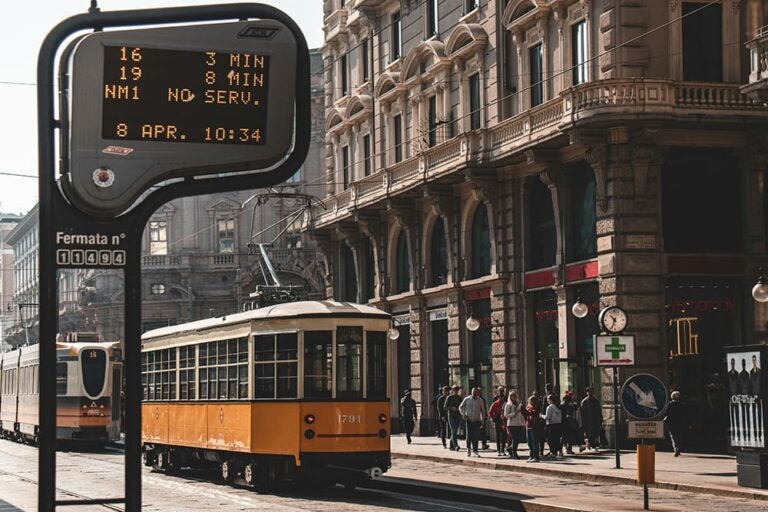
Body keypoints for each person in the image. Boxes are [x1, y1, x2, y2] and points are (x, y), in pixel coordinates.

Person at [459, 386, 486, 457]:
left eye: (476, 392)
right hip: (469, 420)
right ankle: (468, 449)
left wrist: (482, 419)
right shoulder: (467, 399)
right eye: (473, 392)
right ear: (471, 392)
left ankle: (475, 451)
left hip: (477, 420)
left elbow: (483, 410)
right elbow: (461, 407)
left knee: (476, 436)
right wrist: (464, 415)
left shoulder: (480, 400)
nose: (474, 393)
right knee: (469, 436)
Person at [664, 390, 688, 456]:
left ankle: (676, 449)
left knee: (673, 436)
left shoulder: (670, 404)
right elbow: (686, 415)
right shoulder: (682, 405)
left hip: (672, 423)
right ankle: (679, 447)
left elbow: (666, 413)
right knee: (679, 435)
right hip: (680, 423)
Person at [580, 386, 603, 453]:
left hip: (595, 420)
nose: (590, 393)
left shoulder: (596, 401)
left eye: (591, 391)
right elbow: (582, 413)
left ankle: (590, 446)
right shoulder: (584, 402)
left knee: (595, 433)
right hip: (588, 421)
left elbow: (599, 411)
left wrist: (601, 420)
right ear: (587, 392)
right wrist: (583, 422)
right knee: (589, 434)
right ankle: (589, 446)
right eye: (589, 392)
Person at [504, 390, 524, 459]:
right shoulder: (508, 405)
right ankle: (514, 452)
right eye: (511, 396)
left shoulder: (519, 404)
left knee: (518, 439)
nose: (513, 397)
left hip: (519, 423)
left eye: (514, 396)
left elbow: (521, 414)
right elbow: (506, 415)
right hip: (511, 424)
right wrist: (514, 413)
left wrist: (523, 423)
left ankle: (510, 448)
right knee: (515, 438)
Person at [542, 394, 563, 459]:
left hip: (551, 424)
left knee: (550, 439)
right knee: (556, 439)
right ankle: (557, 451)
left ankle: (552, 452)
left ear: (550, 400)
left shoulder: (549, 407)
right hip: (558, 424)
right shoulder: (558, 407)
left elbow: (548, 417)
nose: (547, 401)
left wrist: (541, 416)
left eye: (548, 399)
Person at [521, 395, 540, 462]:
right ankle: (531, 456)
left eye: (531, 401)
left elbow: (532, 413)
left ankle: (536, 456)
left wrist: (525, 410)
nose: (530, 402)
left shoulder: (536, 408)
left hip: (534, 426)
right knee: (529, 442)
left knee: (534, 442)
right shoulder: (529, 408)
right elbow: (525, 414)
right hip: (528, 425)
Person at [488, 390, 507, 456]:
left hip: (504, 420)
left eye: (502, 397)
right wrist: (494, 418)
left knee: (504, 436)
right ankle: (498, 450)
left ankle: (503, 449)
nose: (501, 398)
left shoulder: (505, 404)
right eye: (500, 397)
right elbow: (490, 412)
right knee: (498, 436)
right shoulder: (495, 403)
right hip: (497, 420)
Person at [445, 385, 463, 451]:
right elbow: (445, 407)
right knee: (454, 430)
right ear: (452, 390)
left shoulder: (459, 398)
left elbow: (462, 406)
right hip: (451, 416)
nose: (456, 391)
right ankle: (456, 445)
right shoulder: (449, 397)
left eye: (457, 390)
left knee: (454, 431)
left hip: (458, 416)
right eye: (455, 390)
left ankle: (451, 446)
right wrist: (452, 408)